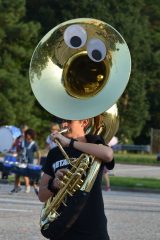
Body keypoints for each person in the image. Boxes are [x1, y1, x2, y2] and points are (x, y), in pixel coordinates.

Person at [38, 119, 114, 240]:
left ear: (84, 123)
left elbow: (108, 154)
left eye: (69, 121)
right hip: (62, 226)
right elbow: (41, 195)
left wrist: (70, 143)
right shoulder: (54, 153)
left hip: (92, 227)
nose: (63, 125)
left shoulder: (94, 143)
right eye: (62, 121)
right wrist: (53, 184)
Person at [10, 128, 41, 193]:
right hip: (21, 161)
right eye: (27, 134)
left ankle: (28, 187)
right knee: (17, 173)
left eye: (29, 134)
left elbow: (38, 153)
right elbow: (19, 150)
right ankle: (16, 187)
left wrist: (38, 161)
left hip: (29, 162)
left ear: (32, 135)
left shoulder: (33, 143)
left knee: (25, 175)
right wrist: (17, 155)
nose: (27, 136)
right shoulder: (23, 142)